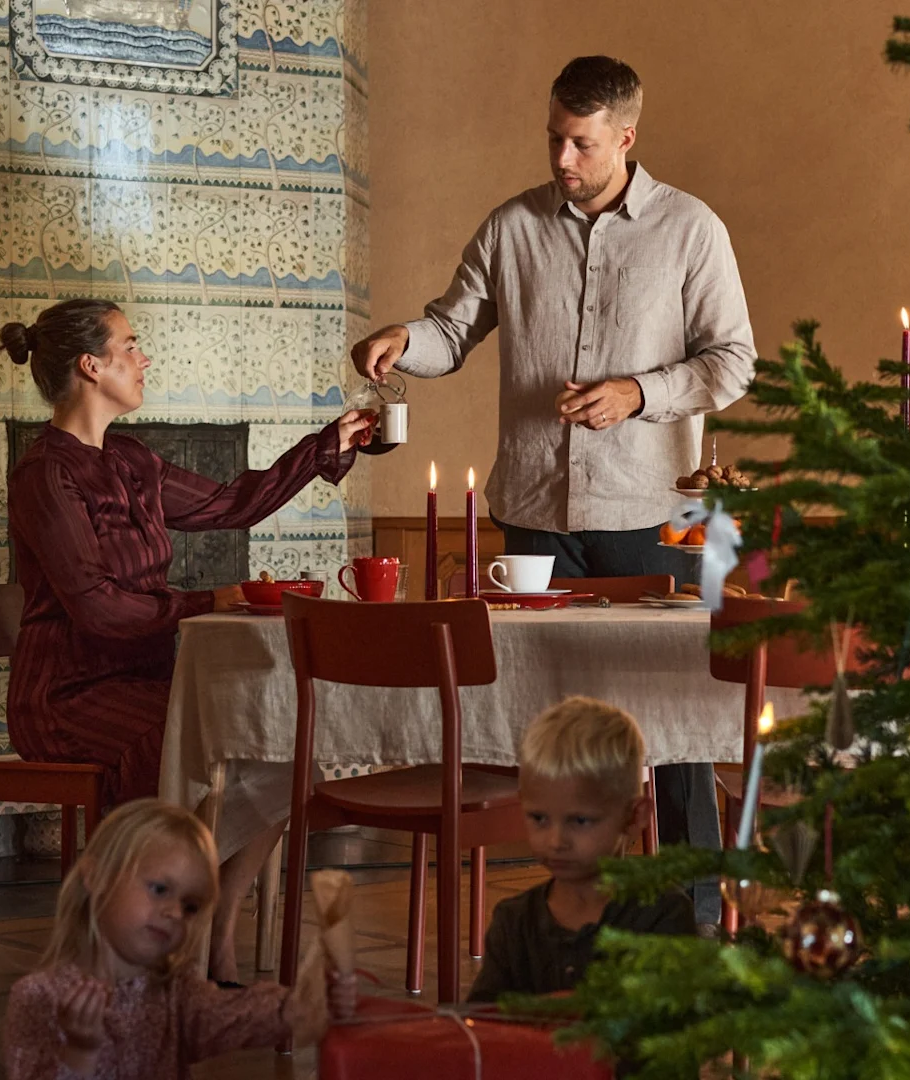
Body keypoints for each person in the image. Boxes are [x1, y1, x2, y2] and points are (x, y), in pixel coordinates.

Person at [351, 56, 756, 924]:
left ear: (626, 137)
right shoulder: (510, 228)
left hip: (651, 515)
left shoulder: (692, 230)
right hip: (534, 514)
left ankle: (691, 910)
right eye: (554, 138)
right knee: (551, 723)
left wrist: (638, 393)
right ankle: (570, 914)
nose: (563, 158)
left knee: (676, 728)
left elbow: (733, 362)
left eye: (580, 142)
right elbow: (452, 328)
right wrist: (402, 341)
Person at [0, 298, 375, 981]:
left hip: (144, 684)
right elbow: (98, 610)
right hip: (64, 696)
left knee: (275, 739)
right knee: (182, 737)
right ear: (92, 365)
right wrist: (212, 598)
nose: (145, 358)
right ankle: (138, 936)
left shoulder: (133, 460)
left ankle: (213, 926)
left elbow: (233, 504)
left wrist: (329, 444)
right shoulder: (44, 474)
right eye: (131, 345)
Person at [3, 799, 356, 1079]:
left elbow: (235, 1014)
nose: (174, 912)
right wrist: (79, 1053)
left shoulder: (174, 993)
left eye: (189, 906)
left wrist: (301, 1004)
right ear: (96, 876)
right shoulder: (37, 997)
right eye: (159, 889)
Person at [468, 698, 690, 1002]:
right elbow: (483, 1028)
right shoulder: (514, 922)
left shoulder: (663, 915)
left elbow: (673, 1033)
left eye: (580, 820)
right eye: (539, 818)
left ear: (635, 816)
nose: (556, 840)